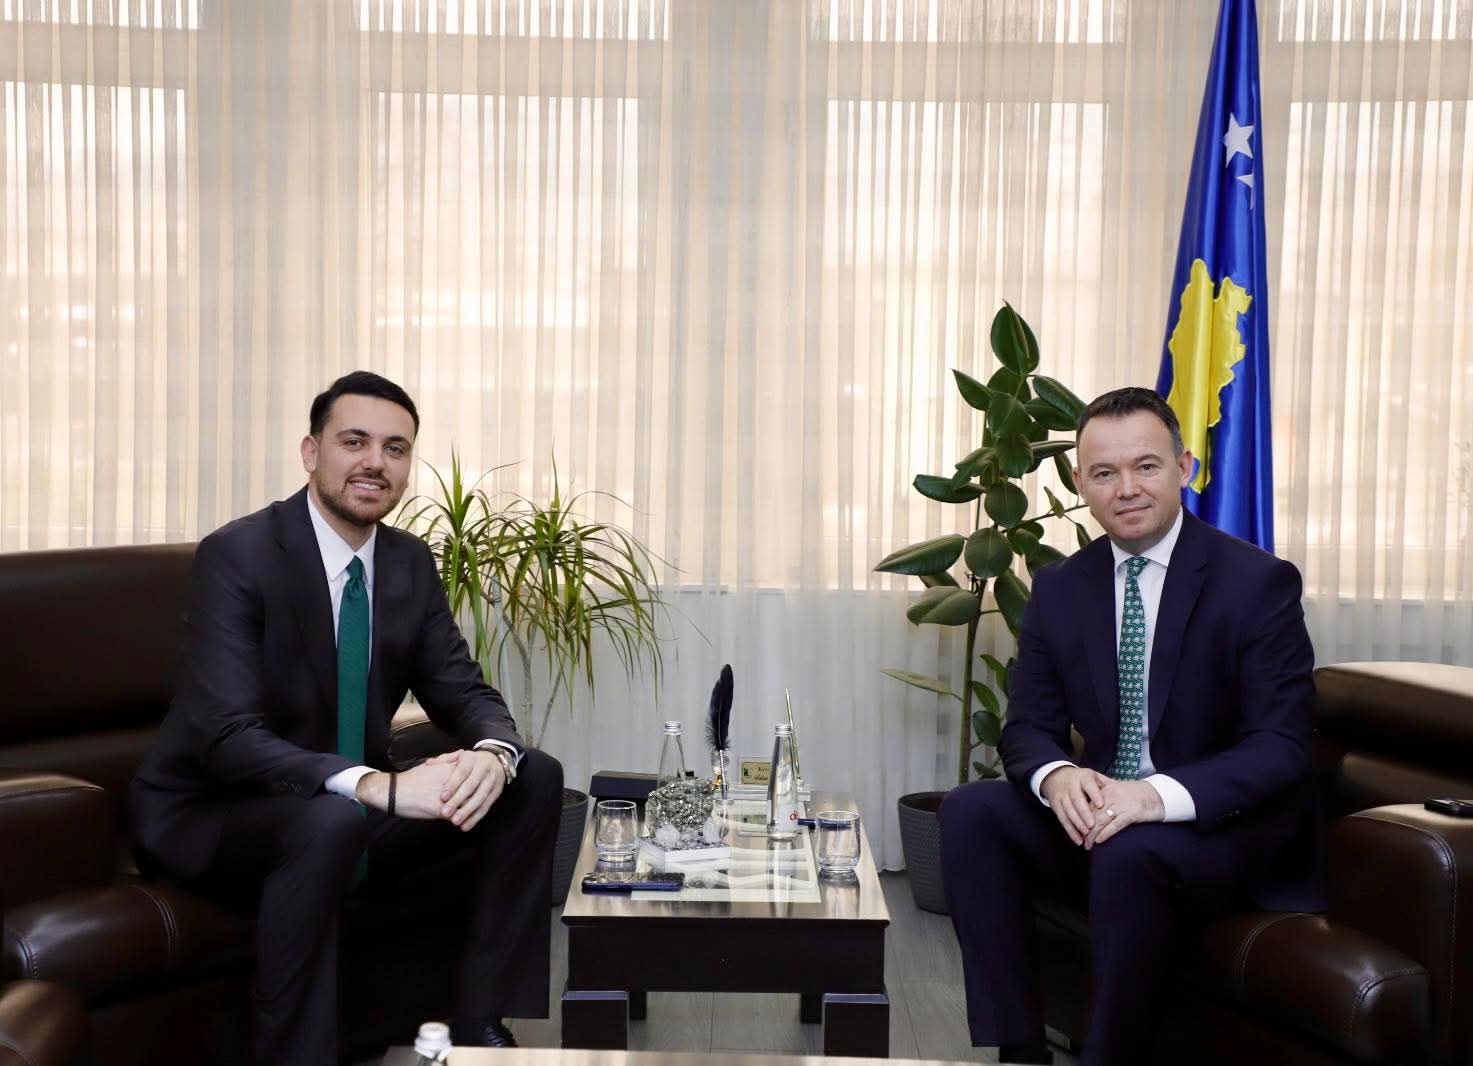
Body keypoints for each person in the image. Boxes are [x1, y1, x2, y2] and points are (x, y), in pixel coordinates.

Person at [131, 371, 563, 1066]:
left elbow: (462, 689)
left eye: (395, 448)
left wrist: (493, 751)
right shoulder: (239, 556)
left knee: (531, 776)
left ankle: (479, 1023)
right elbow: (227, 737)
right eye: (354, 441)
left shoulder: (407, 562)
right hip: (219, 811)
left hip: (342, 809)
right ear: (311, 452)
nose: (374, 462)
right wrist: (374, 785)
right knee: (330, 820)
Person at [939, 386, 1321, 1066]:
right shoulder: (1062, 587)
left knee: (1129, 850)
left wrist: (1151, 797)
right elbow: (1027, 726)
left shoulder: (1256, 583)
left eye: (1146, 466)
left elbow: (1280, 746)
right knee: (973, 812)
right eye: (1104, 473)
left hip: (1217, 826)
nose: (1127, 489)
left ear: (1184, 466)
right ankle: (1019, 1050)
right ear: (1080, 483)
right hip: (1110, 815)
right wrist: (1058, 776)